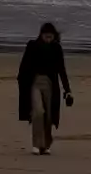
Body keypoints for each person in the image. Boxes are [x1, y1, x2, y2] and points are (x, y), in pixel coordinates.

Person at [17, 22, 72, 155]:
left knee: (48, 115)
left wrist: (68, 90)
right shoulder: (32, 46)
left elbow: (61, 70)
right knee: (38, 112)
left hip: (50, 84)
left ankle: (46, 145)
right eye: (46, 36)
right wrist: (21, 83)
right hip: (34, 83)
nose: (48, 39)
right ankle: (36, 144)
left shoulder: (57, 48)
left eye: (50, 37)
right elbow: (24, 66)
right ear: (41, 35)